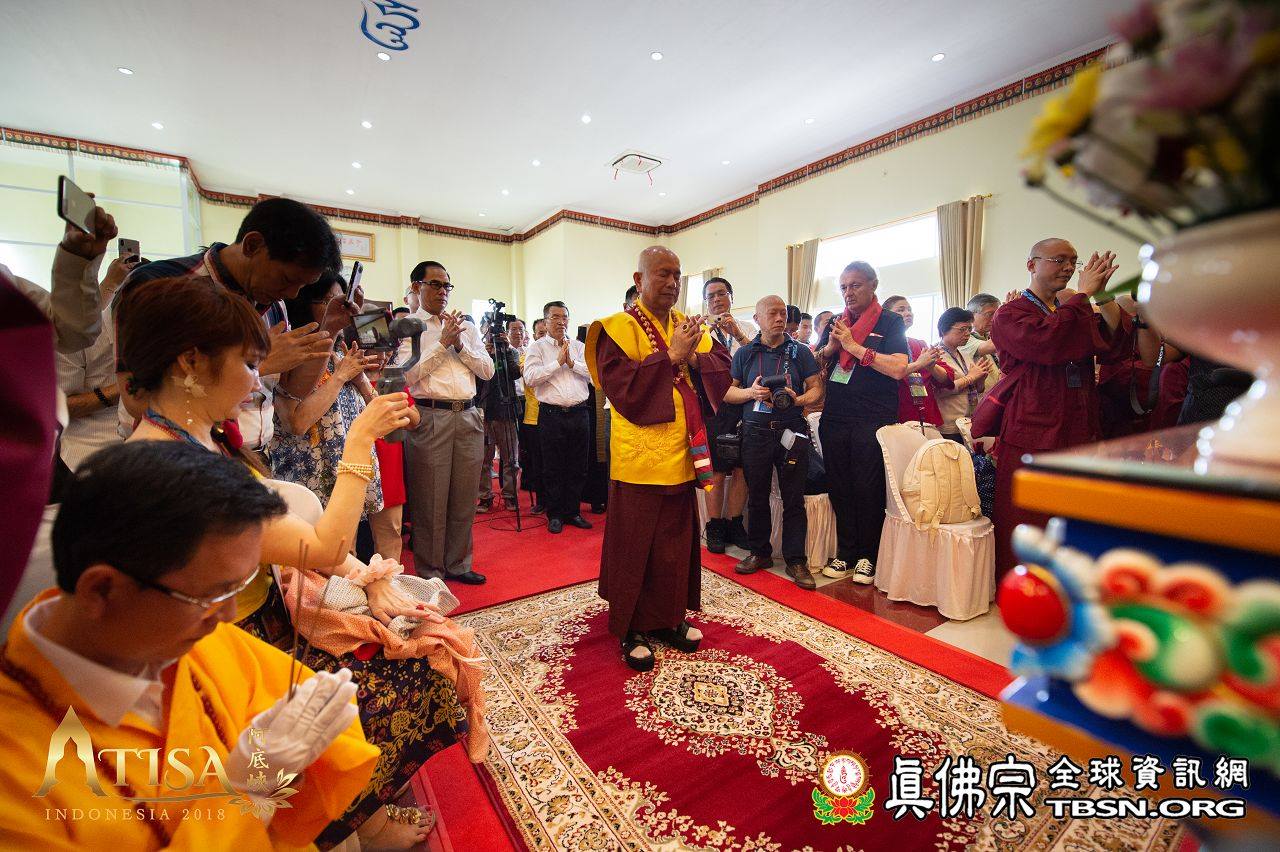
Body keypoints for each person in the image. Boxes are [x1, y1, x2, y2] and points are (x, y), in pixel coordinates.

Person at [116, 275, 478, 848]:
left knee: (421, 639)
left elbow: (295, 536)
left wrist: (363, 579)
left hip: (258, 628)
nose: (255, 379)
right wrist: (359, 441)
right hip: (224, 661)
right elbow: (324, 547)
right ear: (190, 362)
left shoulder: (193, 438)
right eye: (247, 362)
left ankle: (355, 813)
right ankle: (338, 816)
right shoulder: (169, 467)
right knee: (420, 672)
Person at [0, 441, 379, 849]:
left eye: (237, 588)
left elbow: (321, 746)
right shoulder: (15, 776)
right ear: (102, 589)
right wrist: (245, 794)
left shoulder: (177, 635)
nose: (227, 615)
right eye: (211, 595)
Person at [586, 246, 731, 671]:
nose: (671, 283)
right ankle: (631, 627)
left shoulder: (686, 325)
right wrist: (669, 357)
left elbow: (721, 366)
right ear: (639, 279)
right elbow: (620, 386)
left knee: (675, 543)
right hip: (640, 458)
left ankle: (668, 618)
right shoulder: (617, 328)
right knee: (637, 545)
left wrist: (692, 355)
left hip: (683, 453)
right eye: (663, 274)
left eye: (677, 275)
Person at [115, 197, 344, 452]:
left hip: (251, 455)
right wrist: (258, 365)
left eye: (302, 286)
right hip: (176, 455)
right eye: (286, 279)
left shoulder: (274, 304)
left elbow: (291, 390)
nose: (292, 294)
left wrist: (331, 328)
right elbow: (136, 398)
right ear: (252, 245)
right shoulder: (162, 285)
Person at [990, 240, 1129, 576]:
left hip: (1078, 426)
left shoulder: (1071, 311)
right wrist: (1083, 296)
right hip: (1033, 428)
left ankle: (1067, 584)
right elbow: (1047, 343)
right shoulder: (1010, 314)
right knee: (1029, 517)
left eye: (1073, 261)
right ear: (1031, 264)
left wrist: (1102, 296)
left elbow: (1116, 346)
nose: (1068, 267)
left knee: (1072, 514)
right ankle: (1022, 584)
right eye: (1059, 260)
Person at [815, 261, 910, 584]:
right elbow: (816, 365)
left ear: (873, 285)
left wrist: (854, 347)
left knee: (867, 487)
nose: (848, 292)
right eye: (843, 287)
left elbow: (898, 368)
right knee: (840, 486)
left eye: (855, 285)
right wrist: (831, 347)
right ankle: (846, 552)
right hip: (836, 416)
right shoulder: (837, 322)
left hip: (873, 417)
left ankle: (868, 556)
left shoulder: (890, 321)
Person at [271, 272, 387, 528]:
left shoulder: (341, 352)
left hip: (348, 467)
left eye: (340, 301)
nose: (337, 308)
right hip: (311, 473)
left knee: (348, 545)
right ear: (303, 303)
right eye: (326, 301)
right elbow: (297, 423)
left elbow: (376, 415)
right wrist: (340, 376)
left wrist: (360, 380)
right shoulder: (292, 352)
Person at [403, 261, 493, 585]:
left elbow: (487, 371)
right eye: (435, 284)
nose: (443, 291)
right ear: (417, 287)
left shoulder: (465, 326)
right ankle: (430, 571)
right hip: (430, 415)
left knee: (464, 497)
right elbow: (408, 375)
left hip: (468, 415)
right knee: (430, 498)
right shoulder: (409, 327)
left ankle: (458, 563)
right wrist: (441, 344)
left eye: (447, 286)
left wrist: (459, 344)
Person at [724, 296, 823, 589]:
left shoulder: (800, 351)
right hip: (755, 433)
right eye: (772, 313)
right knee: (757, 496)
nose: (779, 318)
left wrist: (798, 399)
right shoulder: (744, 354)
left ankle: (796, 560)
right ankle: (759, 552)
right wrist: (751, 393)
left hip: (791, 431)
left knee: (794, 498)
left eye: (783, 313)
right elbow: (728, 393)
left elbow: (816, 389)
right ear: (757, 319)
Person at [55, 255, 137, 471]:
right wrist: (123, 388)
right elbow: (59, 408)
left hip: (149, 450)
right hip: (89, 453)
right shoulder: (76, 338)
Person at [523, 302, 594, 534]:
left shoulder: (579, 347)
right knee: (553, 466)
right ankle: (554, 514)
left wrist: (572, 364)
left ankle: (572, 511)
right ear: (545, 321)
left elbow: (594, 376)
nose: (561, 321)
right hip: (551, 414)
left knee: (578, 466)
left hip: (579, 412)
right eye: (555, 317)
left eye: (564, 317)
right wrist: (557, 364)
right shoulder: (537, 348)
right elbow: (530, 377)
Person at [700, 276, 755, 553]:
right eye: (710, 296)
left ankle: (735, 522)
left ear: (731, 296)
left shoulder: (748, 328)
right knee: (718, 471)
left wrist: (738, 335)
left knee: (742, 469)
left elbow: (759, 359)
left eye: (721, 294)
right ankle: (715, 525)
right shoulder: (701, 332)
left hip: (747, 404)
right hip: (714, 407)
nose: (716, 299)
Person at [881, 295, 955, 429]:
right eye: (901, 310)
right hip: (897, 417)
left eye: (909, 309)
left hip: (927, 415)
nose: (908, 313)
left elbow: (946, 380)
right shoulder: (880, 345)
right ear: (887, 316)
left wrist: (932, 367)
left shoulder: (919, 344)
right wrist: (919, 363)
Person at [476, 318, 522, 513]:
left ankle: (510, 496)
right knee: (483, 460)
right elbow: (476, 382)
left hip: (506, 411)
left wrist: (507, 350)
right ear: (482, 330)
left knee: (511, 459)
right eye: (488, 329)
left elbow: (515, 374)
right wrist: (486, 357)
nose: (492, 334)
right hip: (484, 411)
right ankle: (485, 497)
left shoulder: (510, 351)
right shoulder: (478, 352)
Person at [933, 307, 994, 440]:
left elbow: (978, 390)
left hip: (970, 421)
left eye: (969, 329)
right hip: (950, 425)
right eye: (962, 329)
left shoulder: (965, 354)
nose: (967, 334)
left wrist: (980, 380)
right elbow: (939, 391)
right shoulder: (935, 356)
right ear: (944, 330)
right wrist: (970, 377)